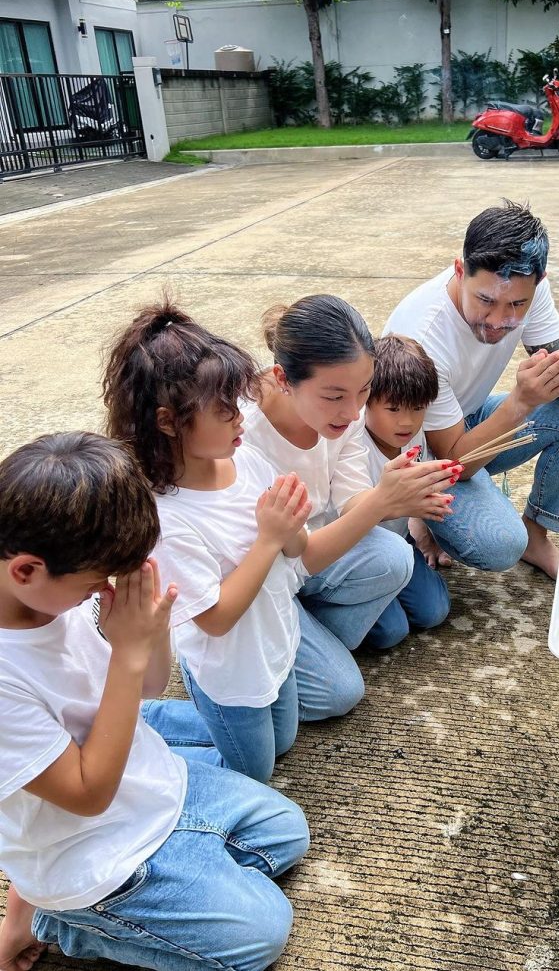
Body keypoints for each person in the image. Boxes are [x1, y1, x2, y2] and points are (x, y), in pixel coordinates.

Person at [0, 432, 309, 971]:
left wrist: (152, 632)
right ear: (26, 569)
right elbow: (87, 794)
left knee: (288, 831)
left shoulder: (54, 587)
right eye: (96, 584)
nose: (102, 593)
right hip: (91, 851)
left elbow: (145, 688)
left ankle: (185, 877)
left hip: (146, 778)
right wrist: (128, 652)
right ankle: (62, 922)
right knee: (261, 934)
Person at [103, 303, 368, 783]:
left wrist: (291, 527)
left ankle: (156, 724)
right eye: (225, 411)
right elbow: (217, 618)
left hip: (274, 643)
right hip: (230, 672)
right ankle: (133, 737)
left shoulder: (245, 460)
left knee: (284, 740)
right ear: (168, 422)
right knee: (251, 772)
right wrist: (269, 538)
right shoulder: (168, 516)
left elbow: (298, 551)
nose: (240, 418)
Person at [384, 200, 559, 579]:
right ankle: (420, 515)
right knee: (500, 544)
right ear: (461, 270)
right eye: (485, 301)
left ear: (537, 283)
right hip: (420, 452)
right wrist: (522, 400)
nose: (498, 320)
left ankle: (536, 533)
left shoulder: (530, 289)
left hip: (467, 420)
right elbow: (455, 463)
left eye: (516, 305)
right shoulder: (423, 336)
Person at [242, 295, 460, 651]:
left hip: (319, 549)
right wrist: (386, 500)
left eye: (364, 390)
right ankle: (301, 637)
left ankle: (312, 636)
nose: (352, 410)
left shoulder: (349, 412)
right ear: (283, 378)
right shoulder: (246, 434)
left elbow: (351, 496)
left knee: (399, 586)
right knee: (344, 684)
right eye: (334, 396)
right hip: (266, 572)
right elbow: (291, 555)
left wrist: (401, 496)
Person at [363, 334, 451, 647]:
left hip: (399, 540)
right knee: (391, 631)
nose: (407, 421)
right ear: (365, 399)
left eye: (417, 408)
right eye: (393, 408)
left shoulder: (415, 437)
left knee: (435, 611)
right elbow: (349, 515)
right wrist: (406, 505)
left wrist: (426, 512)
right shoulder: (352, 446)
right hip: (359, 552)